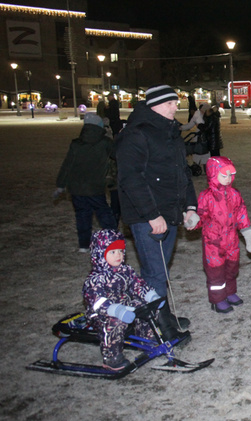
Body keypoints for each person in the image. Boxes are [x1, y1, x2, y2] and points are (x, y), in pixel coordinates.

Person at [115, 84, 198, 340]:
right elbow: (130, 179)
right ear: (154, 106)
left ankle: (159, 312)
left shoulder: (170, 131)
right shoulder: (136, 134)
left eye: (176, 102)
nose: (176, 106)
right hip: (147, 216)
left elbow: (181, 173)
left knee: (160, 268)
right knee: (155, 272)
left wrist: (190, 206)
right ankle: (160, 325)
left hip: (170, 212)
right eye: (170, 103)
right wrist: (152, 215)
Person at [83, 229, 162, 371]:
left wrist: (151, 297)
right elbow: (97, 302)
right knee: (115, 321)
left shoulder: (126, 271)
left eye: (120, 250)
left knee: (143, 306)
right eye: (112, 252)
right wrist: (116, 310)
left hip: (124, 306)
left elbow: (138, 284)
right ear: (100, 254)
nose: (118, 255)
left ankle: (147, 337)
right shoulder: (96, 279)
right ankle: (112, 356)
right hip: (103, 313)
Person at [190, 156, 251, 313]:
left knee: (231, 268)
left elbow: (241, 213)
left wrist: (247, 235)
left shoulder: (234, 194)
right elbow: (202, 216)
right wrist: (194, 220)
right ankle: (218, 299)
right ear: (213, 174)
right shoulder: (207, 196)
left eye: (230, 175)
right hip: (214, 242)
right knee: (216, 273)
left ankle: (230, 292)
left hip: (232, 240)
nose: (228, 179)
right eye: (223, 175)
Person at [54, 112, 118, 252]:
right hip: (95, 187)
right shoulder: (105, 143)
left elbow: (67, 165)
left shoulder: (76, 144)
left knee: (82, 216)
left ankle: (84, 245)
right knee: (104, 215)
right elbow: (116, 155)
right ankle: (113, 240)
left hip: (76, 188)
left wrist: (60, 184)